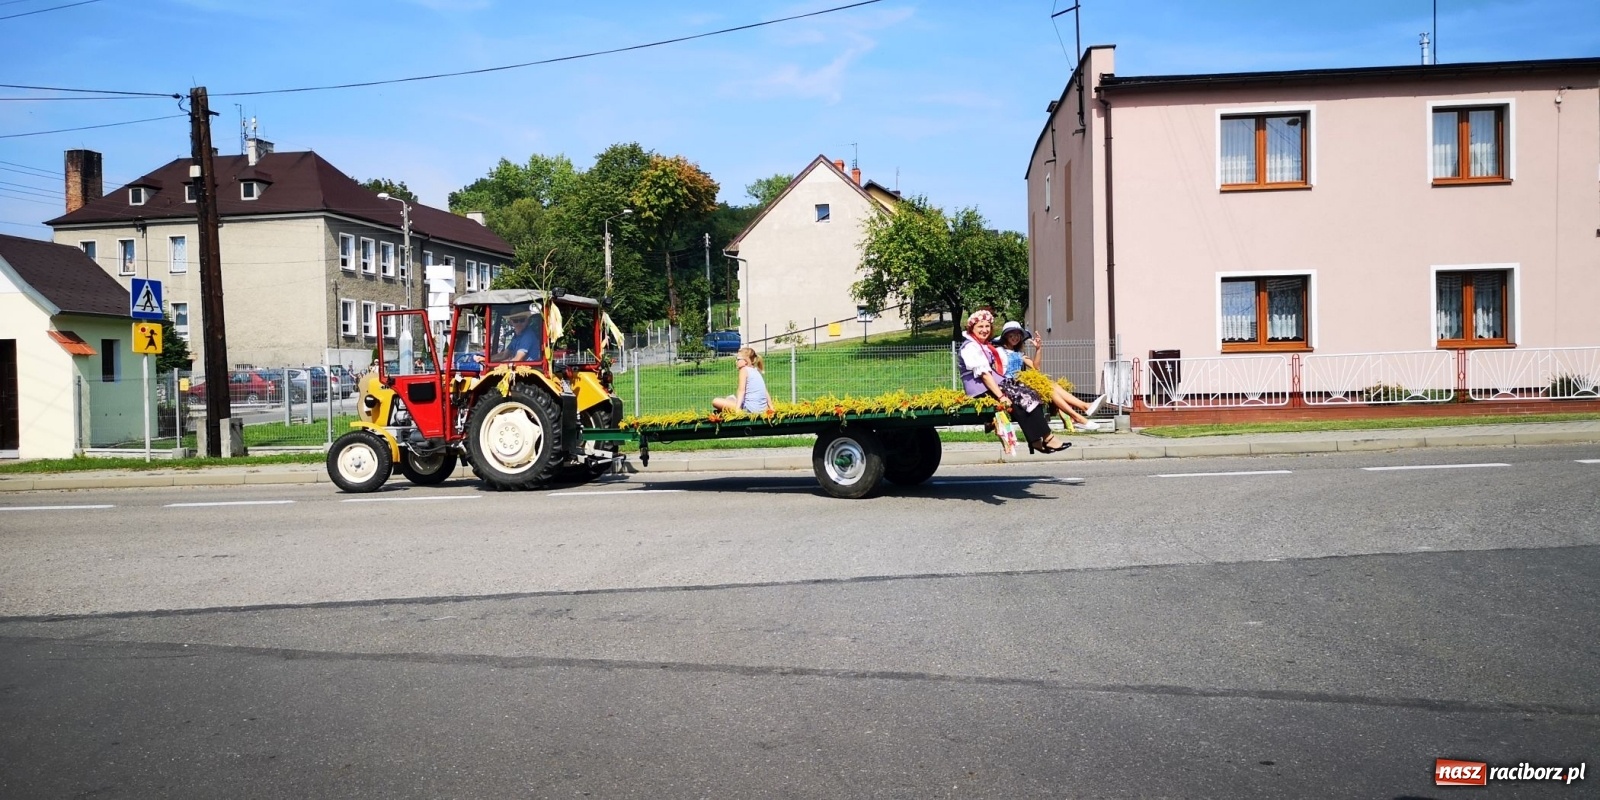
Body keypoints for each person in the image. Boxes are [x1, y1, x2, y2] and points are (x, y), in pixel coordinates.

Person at [959, 310, 1070, 454]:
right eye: (980, 327)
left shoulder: (982, 345)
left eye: (987, 326)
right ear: (972, 328)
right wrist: (1001, 396)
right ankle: (1047, 439)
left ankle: (1037, 440)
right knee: (1023, 397)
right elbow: (985, 375)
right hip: (981, 389)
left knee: (1030, 396)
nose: (984, 330)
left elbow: (1034, 367)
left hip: (993, 385)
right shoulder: (970, 347)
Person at [995, 321, 1107, 431]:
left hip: (1019, 384)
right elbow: (996, 371)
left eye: (1017, 335)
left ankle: (1082, 411)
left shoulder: (1019, 354)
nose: (1015, 337)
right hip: (1008, 386)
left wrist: (1038, 349)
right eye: (1011, 335)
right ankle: (1081, 412)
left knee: (1051, 386)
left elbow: (1036, 368)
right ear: (1005, 336)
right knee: (1049, 387)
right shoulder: (998, 351)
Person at [712, 347, 771, 413]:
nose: (736, 361)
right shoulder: (756, 370)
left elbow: (741, 391)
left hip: (749, 409)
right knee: (731, 398)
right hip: (762, 409)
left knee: (715, 401)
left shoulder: (744, 370)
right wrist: (771, 407)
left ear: (746, 361)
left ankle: (734, 409)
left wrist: (737, 409)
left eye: (738, 359)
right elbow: (765, 391)